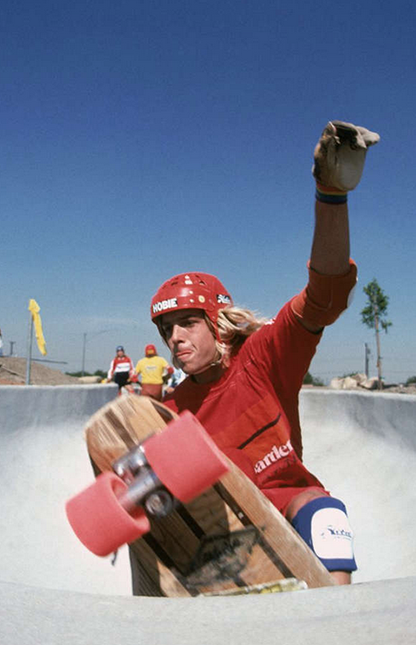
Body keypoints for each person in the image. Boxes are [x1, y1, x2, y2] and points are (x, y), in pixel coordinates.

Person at [149, 120, 378, 585]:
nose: (175, 338)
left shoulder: (263, 358)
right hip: (224, 529)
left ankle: (339, 622)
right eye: (166, 328)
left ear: (218, 323)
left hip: (290, 502)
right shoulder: (170, 412)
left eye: (188, 323)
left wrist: (331, 193)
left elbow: (325, 297)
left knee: (327, 517)